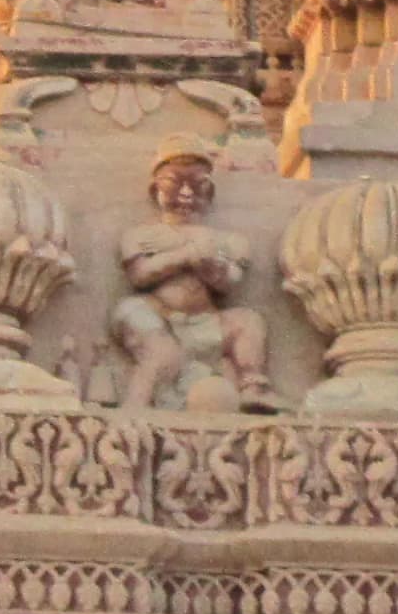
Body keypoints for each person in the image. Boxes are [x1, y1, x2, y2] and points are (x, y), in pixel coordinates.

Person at [108, 141, 277, 413]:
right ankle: (137, 405)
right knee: (162, 354)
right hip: (154, 315)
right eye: (175, 184)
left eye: (197, 185)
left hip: (205, 321)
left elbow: (229, 282)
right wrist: (186, 255)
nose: (186, 194)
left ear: (209, 191)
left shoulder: (228, 241)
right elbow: (140, 275)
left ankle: (253, 386)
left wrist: (213, 266)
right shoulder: (141, 235)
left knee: (248, 322)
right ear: (156, 190)